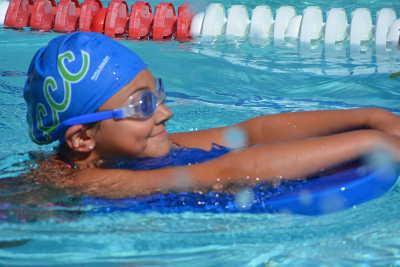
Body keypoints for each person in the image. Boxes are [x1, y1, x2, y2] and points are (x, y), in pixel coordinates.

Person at [24, 32, 400, 199]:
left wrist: (372, 116)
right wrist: (372, 142)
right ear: (83, 139)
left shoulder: (130, 148)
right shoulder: (82, 184)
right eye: (143, 106)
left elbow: (247, 135)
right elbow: (225, 174)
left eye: (158, 95)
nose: (166, 112)